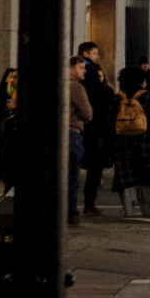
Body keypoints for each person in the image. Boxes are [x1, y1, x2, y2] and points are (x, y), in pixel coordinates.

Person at [110, 66, 150, 217]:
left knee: (126, 178)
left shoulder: (117, 99)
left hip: (122, 145)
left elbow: (110, 123)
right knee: (145, 178)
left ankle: (128, 209)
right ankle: (148, 210)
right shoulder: (147, 98)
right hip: (145, 145)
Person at [77, 43, 117, 214]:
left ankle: (77, 204)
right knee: (94, 167)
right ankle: (88, 203)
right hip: (95, 131)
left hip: (83, 129)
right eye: (95, 53)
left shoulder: (79, 83)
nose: (98, 56)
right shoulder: (100, 89)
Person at [67, 55, 92, 224]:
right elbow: (87, 113)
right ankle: (71, 211)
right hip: (73, 133)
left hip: (60, 135)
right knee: (72, 177)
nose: (85, 71)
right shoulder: (76, 87)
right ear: (71, 69)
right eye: (81, 68)